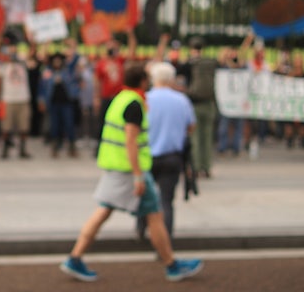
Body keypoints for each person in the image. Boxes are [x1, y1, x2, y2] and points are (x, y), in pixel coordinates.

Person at [60, 62, 203, 283]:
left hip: (116, 167)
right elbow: (131, 141)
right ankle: (171, 265)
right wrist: (138, 175)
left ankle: (75, 257)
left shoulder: (121, 98)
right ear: (143, 81)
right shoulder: (135, 104)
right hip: (129, 170)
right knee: (154, 215)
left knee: (104, 211)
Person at [142, 61, 195, 237]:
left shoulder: (145, 99)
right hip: (172, 156)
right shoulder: (182, 100)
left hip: (147, 155)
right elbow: (191, 127)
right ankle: (166, 239)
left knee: (145, 198)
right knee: (166, 200)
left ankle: (141, 231)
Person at [184, 37, 219, 177]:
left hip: (194, 104)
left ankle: (196, 167)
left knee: (196, 138)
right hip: (209, 103)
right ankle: (207, 166)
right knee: (207, 136)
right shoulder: (210, 63)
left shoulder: (189, 64)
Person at [0, 34, 32, 159]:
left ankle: (23, 149)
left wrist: (32, 38)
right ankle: (5, 149)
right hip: (7, 100)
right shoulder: (2, 65)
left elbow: (32, 52)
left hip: (23, 99)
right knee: (6, 127)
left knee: (24, 126)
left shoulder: (22, 62)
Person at [39, 45, 81, 158]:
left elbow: (76, 58)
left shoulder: (67, 71)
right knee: (54, 126)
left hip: (66, 103)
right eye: (55, 61)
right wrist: (41, 100)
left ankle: (72, 147)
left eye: (59, 61)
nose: (57, 63)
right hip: (53, 103)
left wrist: (71, 46)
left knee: (69, 125)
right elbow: (42, 88)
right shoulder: (48, 72)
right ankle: (55, 147)